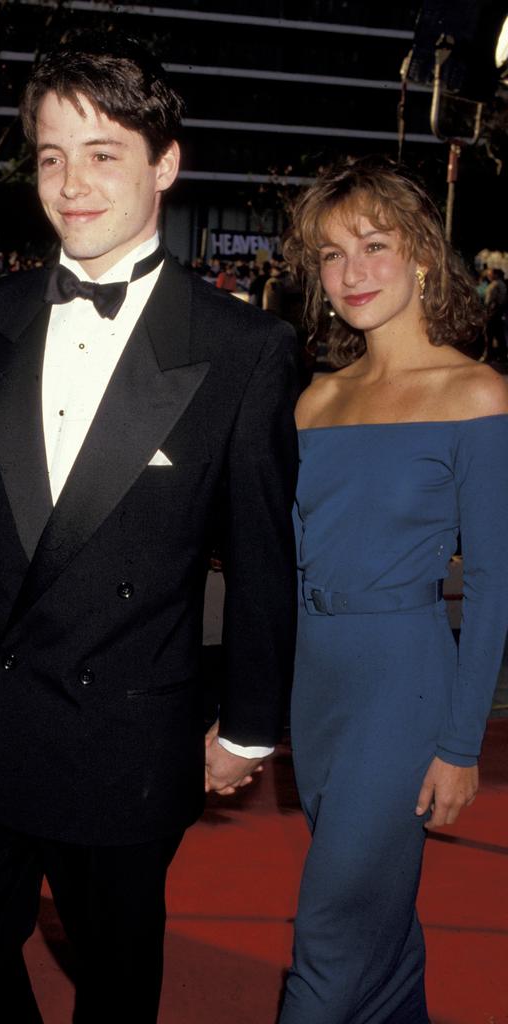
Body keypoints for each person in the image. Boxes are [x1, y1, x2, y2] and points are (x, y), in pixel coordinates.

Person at [0, 32, 298, 1024]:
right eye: (53, 156)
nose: (73, 183)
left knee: (116, 974)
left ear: (166, 163)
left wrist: (254, 721)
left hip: (126, 729)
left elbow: (265, 557)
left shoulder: (242, 347)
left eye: (104, 154)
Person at [278, 155, 508, 1024]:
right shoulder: (316, 402)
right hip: (318, 687)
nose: (351, 274)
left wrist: (461, 744)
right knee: (377, 932)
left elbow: (493, 585)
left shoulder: (476, 393)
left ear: (420, 253)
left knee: (329, 937)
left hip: (403, 684)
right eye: (332, 256)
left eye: (373, 245)